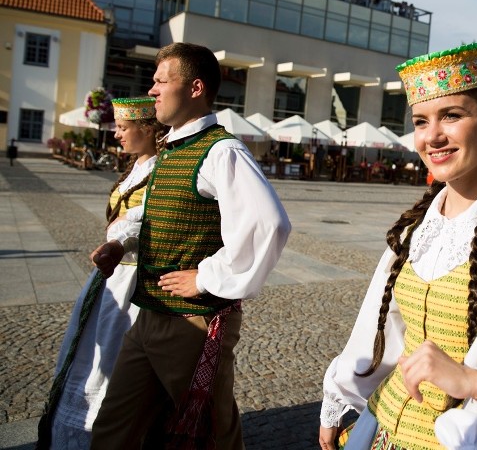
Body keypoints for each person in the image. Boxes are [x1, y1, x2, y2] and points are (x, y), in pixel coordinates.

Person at [319, 43, 477, 449]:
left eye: (451, 116)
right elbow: (381, 327)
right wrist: (340, 396)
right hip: (378, 430)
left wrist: (471, 381)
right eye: (421, 121)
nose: (433, 136)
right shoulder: (415, 229)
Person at [89, 43, 291, 448]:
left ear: (195, 87)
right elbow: (154, 210)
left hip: (194, 323)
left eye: (161, 81)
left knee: (210, 432)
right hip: (149, 314)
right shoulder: (171, 150)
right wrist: (121, 243)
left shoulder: (222, 150)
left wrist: (206, 277)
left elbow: (268, 223)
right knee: (115, 426)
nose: (152, 91)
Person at [37, 97, 166, 449]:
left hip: (132, 283)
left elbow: (145, 221)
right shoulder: (137, 167)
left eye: (124, 128)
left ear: (149, 129)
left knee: (113, 356)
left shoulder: (161, 171)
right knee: (88, 353)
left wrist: (122, 236)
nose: (116, 133)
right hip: (111, 277)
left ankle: (105, 432)